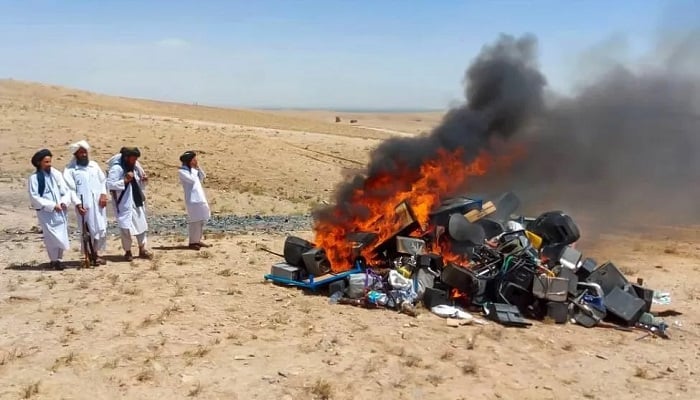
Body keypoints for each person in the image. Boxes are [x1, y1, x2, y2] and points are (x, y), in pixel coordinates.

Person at [63, 140, 109, 266]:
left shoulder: (93, 165)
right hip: (84, 205)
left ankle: (96, 253)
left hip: (99, 204)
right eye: (81, 153)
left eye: (85, 152)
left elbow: (103, 180)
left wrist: (104, 195)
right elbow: (70, 189)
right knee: (87, 231)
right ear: (76, 154)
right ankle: (88, 255)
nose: (84, 155)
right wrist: (78, 204)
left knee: (101, 229)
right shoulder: (70, 170)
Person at [106, 147, 153, 261]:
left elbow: (139, 182)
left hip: (136, 200)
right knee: (125, 227)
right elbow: (110, 185)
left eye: (136, 158)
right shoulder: (116, 168)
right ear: (126, 157)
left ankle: (142, 249)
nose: (135, 161)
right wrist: (124, 181)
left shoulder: (136, 166)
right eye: (133, 158)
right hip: (123, 203)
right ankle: (128, 251)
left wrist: (143, 180)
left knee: (141, 225)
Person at [28, 149, 71, 270]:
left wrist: (63, 202)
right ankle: (53, 260)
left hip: (60, 210)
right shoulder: (34, 178)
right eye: (46, 162)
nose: (49, 164)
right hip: (46, 212)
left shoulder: (55, 174)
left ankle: (59, 260)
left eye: (50, 161)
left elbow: (65, 190)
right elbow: (35, 197)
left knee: (62, 234)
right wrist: (52, 205)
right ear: (39, 163)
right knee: (51, 236)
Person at [178, 151, 211, 250]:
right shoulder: (182, 171)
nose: (196, 161)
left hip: (200, 198)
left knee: (201, 220)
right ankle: (192, 242)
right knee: (194, 221)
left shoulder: (194, 171)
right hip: (192, 200)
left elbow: (202, 176)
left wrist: (197, 167)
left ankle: (197, 240)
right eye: (194, 159)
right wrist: (193, 169)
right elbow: (192, 180)